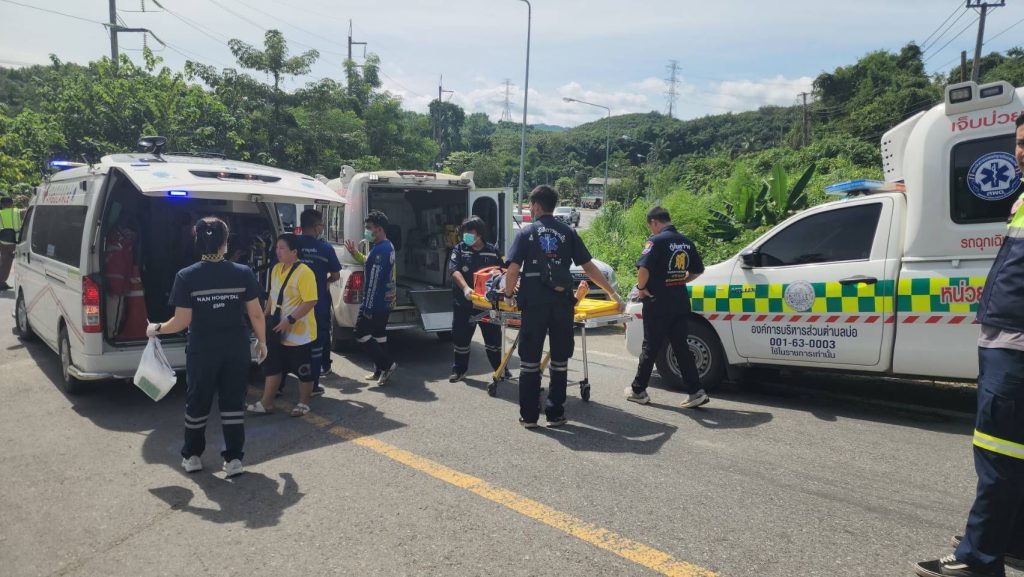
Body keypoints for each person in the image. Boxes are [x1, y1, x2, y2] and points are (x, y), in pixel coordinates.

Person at [913, 115, 1024, 577]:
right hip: (1005, 338)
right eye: (1020, 143)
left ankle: (978, 559)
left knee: (1000, 452)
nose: (1022, 153)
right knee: (1013, 450)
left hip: (1016, 347)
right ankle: (1012, 541)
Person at [146, 217, 267, 477]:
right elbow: (256, 314)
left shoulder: (186, 276)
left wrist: (156, 328)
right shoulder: (243, 273)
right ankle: (234, 460)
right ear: (225, 241)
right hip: (236, 349)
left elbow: (181, 322)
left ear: (197, 241)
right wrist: (263, 341)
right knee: (233, 403)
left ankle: (192, 456)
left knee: (198, 402)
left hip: (203, 350)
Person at [505, 185, 623, 428]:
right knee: (560, 360)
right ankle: (555, 413)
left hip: (534, 305)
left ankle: (529, 416)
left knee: (529, 362)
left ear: (536, 206)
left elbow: (513, 269)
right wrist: (613, 293)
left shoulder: (526, 233)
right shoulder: (568, 232)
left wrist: (507, 295)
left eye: (531, 205)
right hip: (561, 305)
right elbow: (589, 267)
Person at [625, 206, 708, 409]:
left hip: (657, 302)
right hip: (679, 301)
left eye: (651, 226)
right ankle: (696, 391)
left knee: (650, 347)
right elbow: (698, 270)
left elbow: (643, 269)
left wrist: (641, 289)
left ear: (654, 222)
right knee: (681, 347)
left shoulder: (656, 241)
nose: (651, 230)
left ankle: (638, 390)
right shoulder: (686, 242)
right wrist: (679, 281)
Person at [248, 234, 319, 417]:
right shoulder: (276, 269)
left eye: (282, 248)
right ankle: (267, 403)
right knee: (273, 365)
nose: (277, 251)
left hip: (299, 333)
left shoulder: (305, 272)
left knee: (302, 369)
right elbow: (273, 296)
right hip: (276, 328)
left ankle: (304, 403)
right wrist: (264, 318)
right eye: (277, 247)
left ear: (294, 252)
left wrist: (290, 319)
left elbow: (310, 301)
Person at [344, 210, 397, 386]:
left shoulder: (381, 250)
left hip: (375, 303)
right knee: (379, 335)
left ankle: (387, 365)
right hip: (385, 302)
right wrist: (355, 253)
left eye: (369, 228)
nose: (366, 231)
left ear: (379, 229)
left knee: (360, 333)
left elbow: (374, 281)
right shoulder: (386, 246)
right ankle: (379, 371)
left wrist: (367, 307)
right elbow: (368, 262)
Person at [447, 216, 504, 382]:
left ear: (479, 234)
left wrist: (498, 275)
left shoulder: (492, 251)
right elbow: (454, 271)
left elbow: (503, 272)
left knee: (494, 341)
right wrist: (466, 288)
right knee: (461, 338)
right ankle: (459, 370)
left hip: (488, 306)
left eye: (470, 232)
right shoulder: (459, 249)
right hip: (464, 303)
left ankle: (500, 370)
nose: (466, 235)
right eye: (464, 232)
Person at [297, 209, 342, 396]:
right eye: (322, 225)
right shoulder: (325, 249)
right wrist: (326, 281)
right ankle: (313, 386)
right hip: (318, 304)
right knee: (316, 345)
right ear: (316, 227)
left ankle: (282, 385)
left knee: (292, 343)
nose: (322, 228)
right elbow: (336, 275)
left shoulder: (291, 245)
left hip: (294, 304)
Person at [0, 195, 22, 291]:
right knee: (13, 263)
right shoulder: (17, 211)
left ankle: (2, 282)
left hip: (3, 242)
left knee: (4, 263)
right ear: (12, 203)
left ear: (2, 204)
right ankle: (1, 282)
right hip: (15, 242)